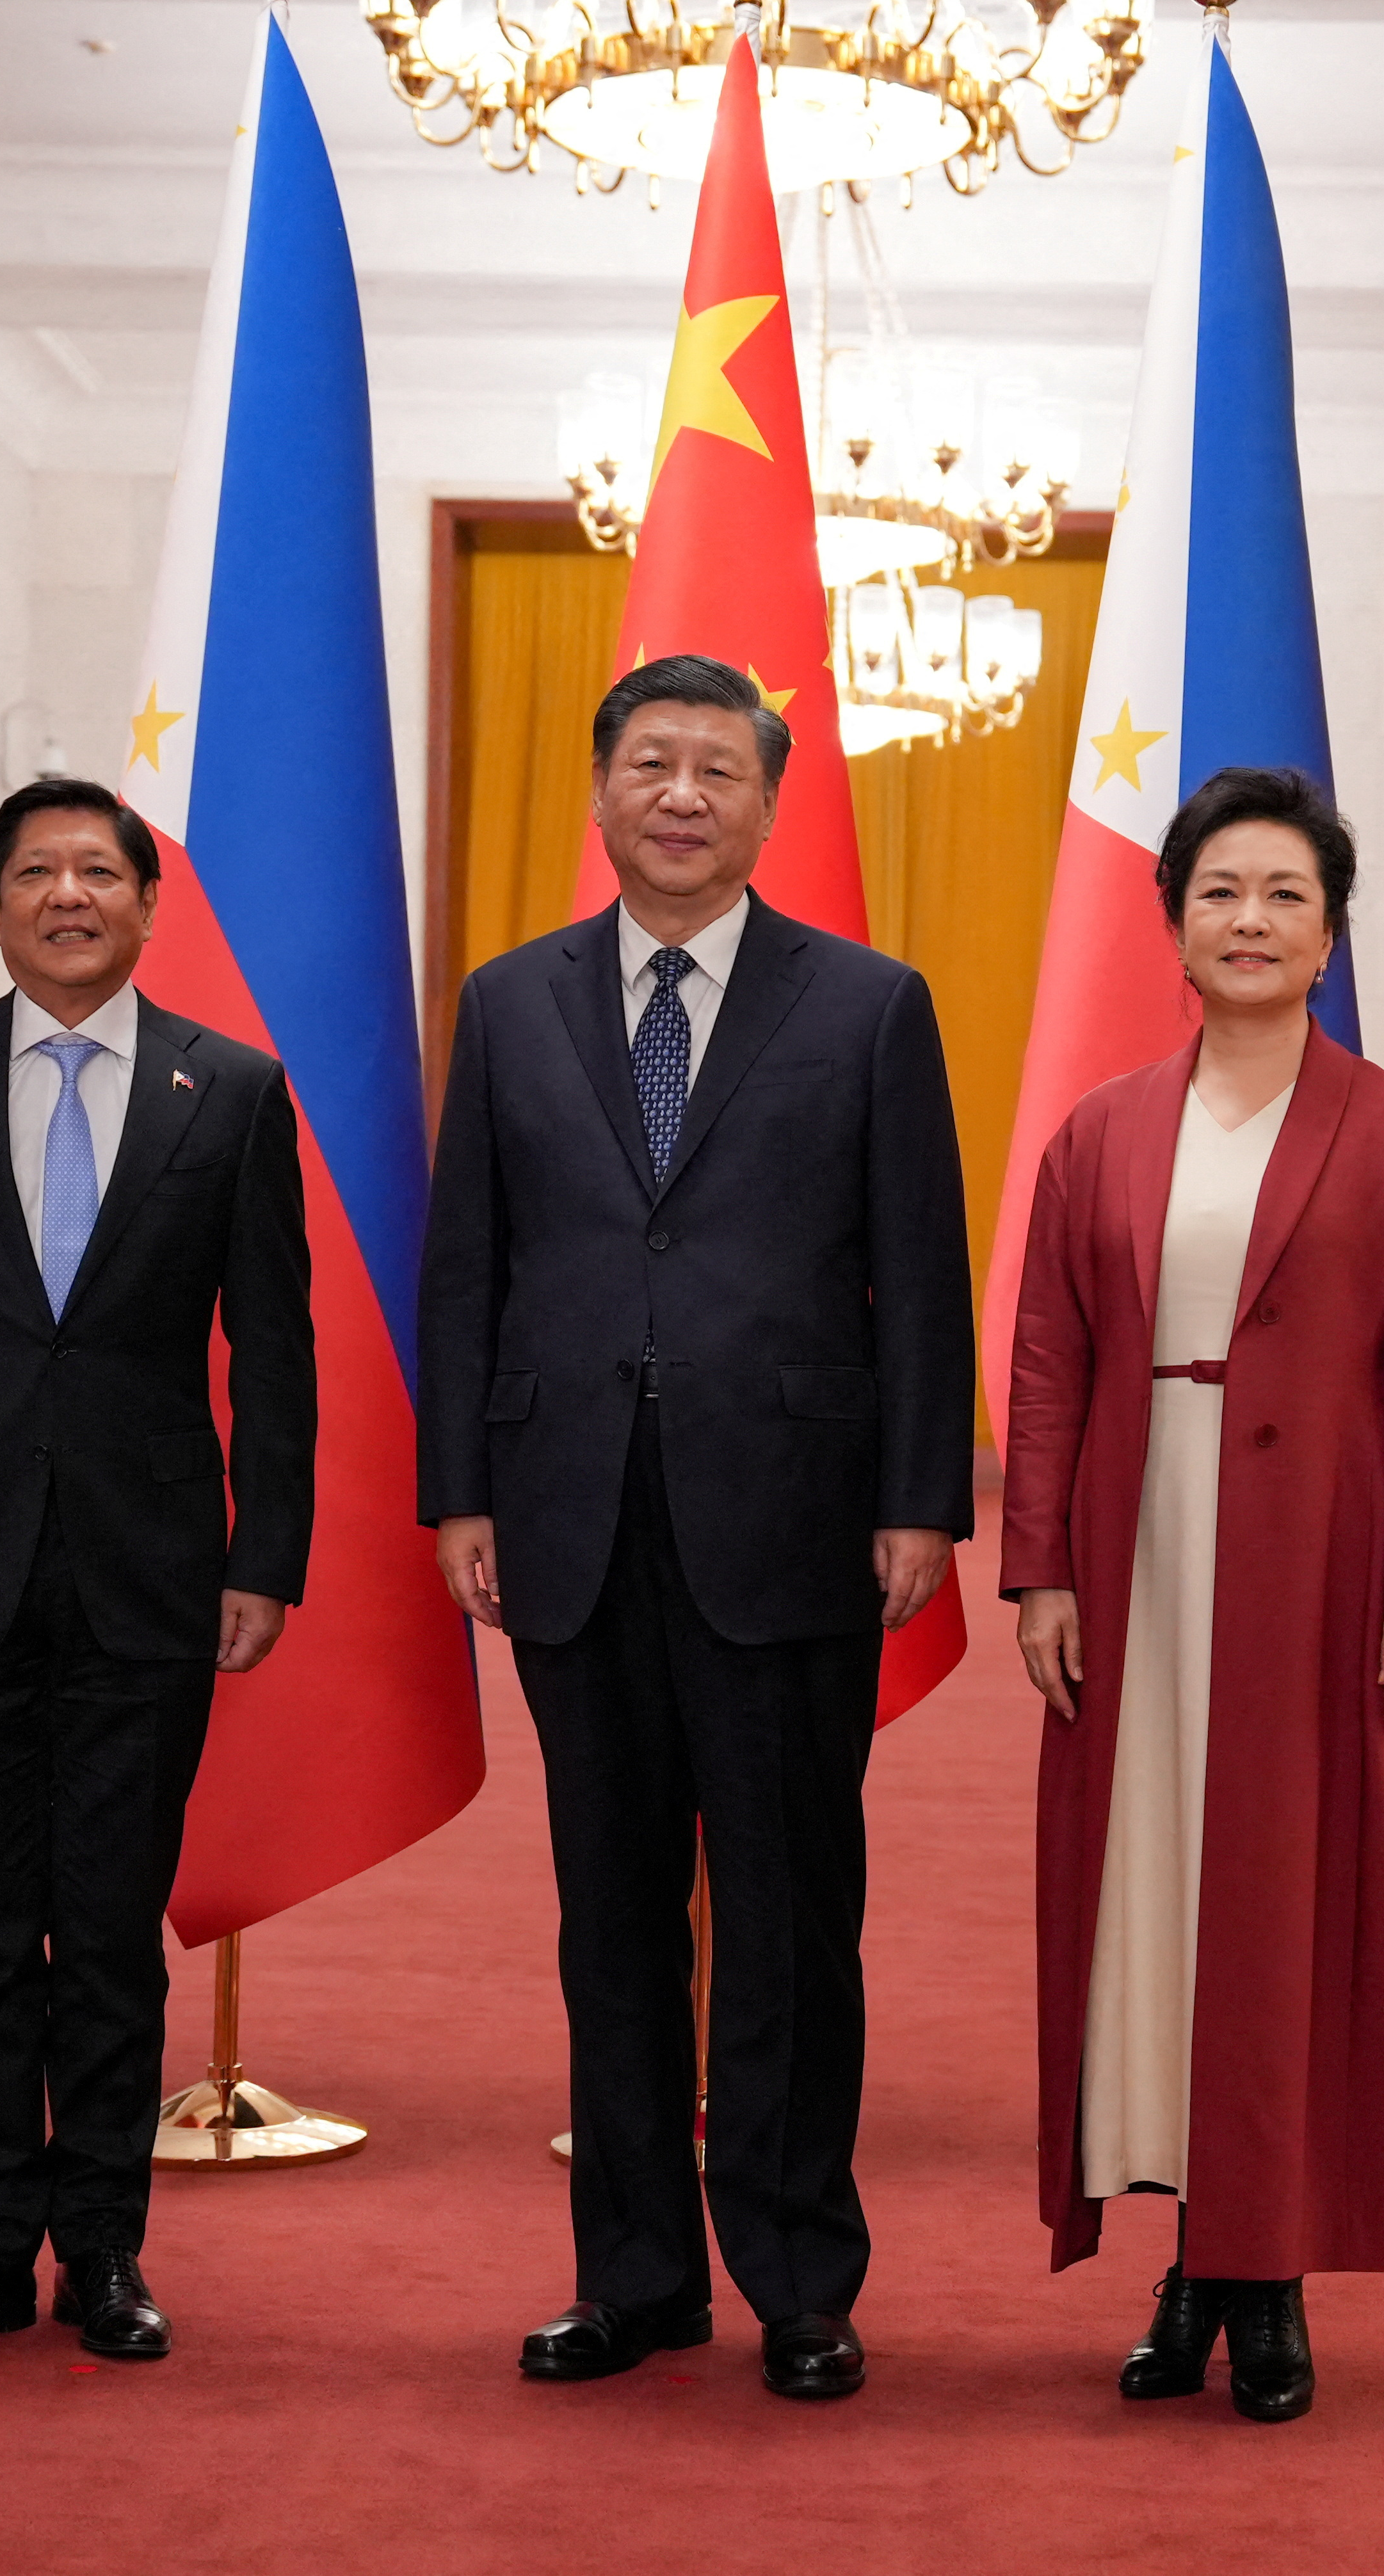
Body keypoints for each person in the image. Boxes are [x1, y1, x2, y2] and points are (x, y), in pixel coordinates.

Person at [419, 651, 973, 2403]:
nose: (678, 794)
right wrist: (459, 1487)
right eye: (647, 764)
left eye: (713, 769)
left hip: (794, 1521)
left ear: (764, 801)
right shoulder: (509, 1005)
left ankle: (800, 2276)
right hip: (569, 1516)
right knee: (611, 1920)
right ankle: (636, 2276)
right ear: (599, 792)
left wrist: (916, 1501)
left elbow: (921, 1273)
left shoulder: (867, 1004)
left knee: (793, 1913)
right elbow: (466, 1270)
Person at [0, 776, 314, 2372]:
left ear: (149, 907)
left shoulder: (227, 1089)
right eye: (38, 871)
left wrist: (267, 1556)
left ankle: (101, 2245)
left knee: (105, 1924)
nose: (70, 894)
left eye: (101, 870)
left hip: (153, 1571)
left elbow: (275, 1348)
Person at [999, 765, 1384, 2424]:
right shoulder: (1100, 1129)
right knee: (1154, 1894)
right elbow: (1049, 1363)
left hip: (1323, 1565)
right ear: (1173, 922)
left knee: (1287, 1904)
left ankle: (1259, 2282)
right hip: (1136, 1556)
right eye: (1219, 891)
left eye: (1282, 893)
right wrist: (1039, 1568)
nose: (1250, 920)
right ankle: (1186, 2255)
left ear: (1327, 928)